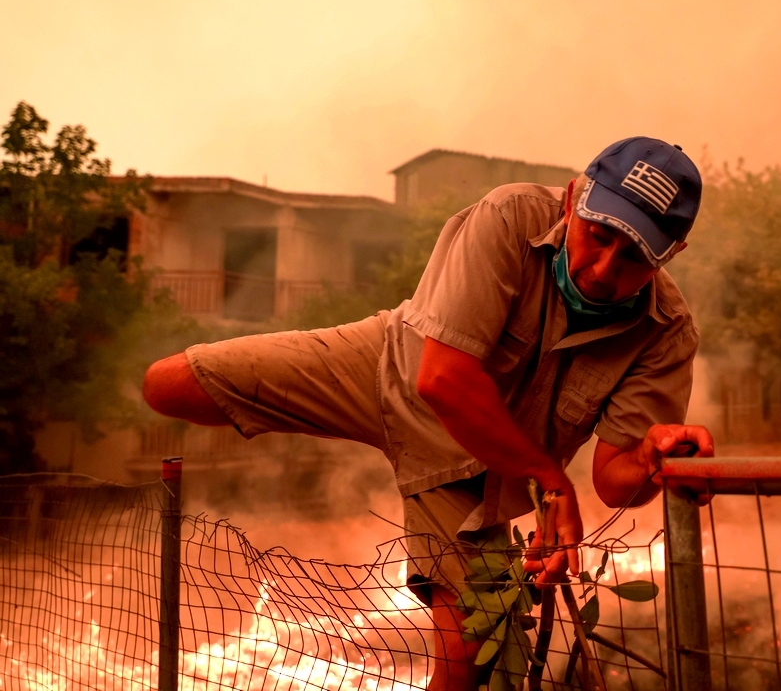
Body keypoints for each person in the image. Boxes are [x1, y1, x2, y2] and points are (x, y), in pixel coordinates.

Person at [141, 136, 715, 691]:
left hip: (477, 473)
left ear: (671, 256)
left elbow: (614, 483)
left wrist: (649, 456)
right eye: (597, 235)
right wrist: (549, 480)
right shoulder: (510, 217)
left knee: (470, 655)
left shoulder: (665, 334)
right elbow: (441, 378)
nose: (602, 267)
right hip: (388, 366)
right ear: (572, 200)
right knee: (168, 385)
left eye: (634, 255)